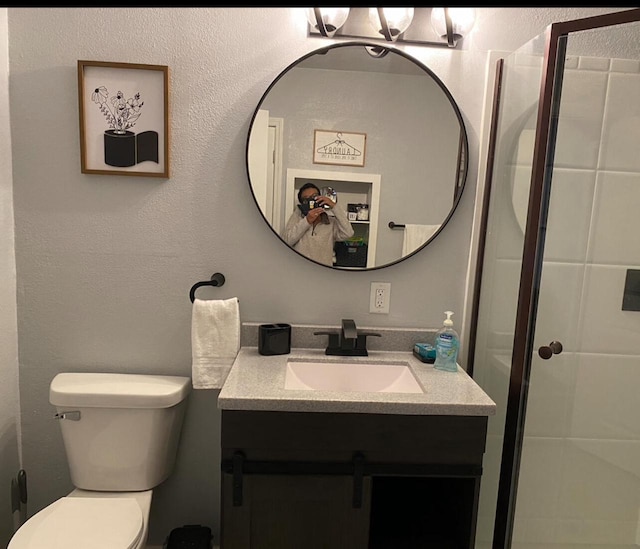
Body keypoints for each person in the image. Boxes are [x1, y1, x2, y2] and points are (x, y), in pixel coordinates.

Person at [282, 182, 354, 266]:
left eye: (314, 197)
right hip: (300, 272)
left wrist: (334, 207)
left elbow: (348, 233)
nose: (311, 201)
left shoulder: (330, 222)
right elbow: (286, 241)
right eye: (306, 199)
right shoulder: (297, 218)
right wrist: (307, 221)